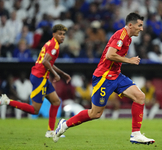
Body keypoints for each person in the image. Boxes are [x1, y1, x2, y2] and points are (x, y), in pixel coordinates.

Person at [53, 12, 155, 144]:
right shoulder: (120, 35)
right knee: (95, 114)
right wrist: (129, 60)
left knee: (140, 96)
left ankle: (136, 134)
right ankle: (65, 125)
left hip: (116, 75)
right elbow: (109, 55)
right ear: (130, 25)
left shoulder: (128, 38)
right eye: (139, 25)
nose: (141, 28)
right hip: (104, 77)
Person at [0, 24, 71, 138]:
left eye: (63, 34)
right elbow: (45, 62)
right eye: (60, 34)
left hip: (42, 76)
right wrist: (56, 75)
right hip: (40, 78)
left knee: (56, 102)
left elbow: (48, 63)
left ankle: (50, 131)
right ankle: (7, 101)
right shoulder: (54, 46)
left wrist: (62, 74)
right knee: (35, 110)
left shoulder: (51, 43)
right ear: (54, 34)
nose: (62, 36)